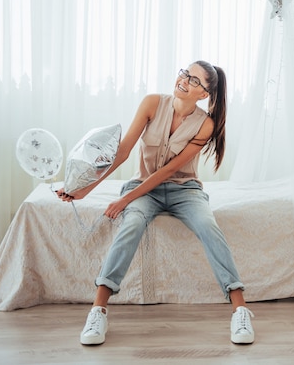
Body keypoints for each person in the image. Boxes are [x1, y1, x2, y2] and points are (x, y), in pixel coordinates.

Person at [57, 61, 254, 346]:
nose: (184, 80)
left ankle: (241, 310)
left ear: (204, 95)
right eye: (185, 73)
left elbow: (167, 172)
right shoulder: (152, 103)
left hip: (184, 191)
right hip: (144, 190)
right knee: (132, 224)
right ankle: (98, 310)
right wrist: (85, 189)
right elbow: (122, 152)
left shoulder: (206, 125)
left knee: (208, 226)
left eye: (195, 81)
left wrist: (124, 199)